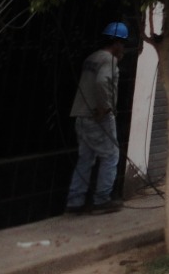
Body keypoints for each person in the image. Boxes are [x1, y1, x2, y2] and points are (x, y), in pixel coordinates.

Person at [66, 22, 130, 214]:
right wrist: (105, 108)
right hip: (97, 117)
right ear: (117, 43)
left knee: (85, 158)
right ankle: (102, 200)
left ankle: (74, 202)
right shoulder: (109, 61)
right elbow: (102, 81)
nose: (124, 49)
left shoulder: (91, 58)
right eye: (123, 44)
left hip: (80, 115)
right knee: (111, 156)